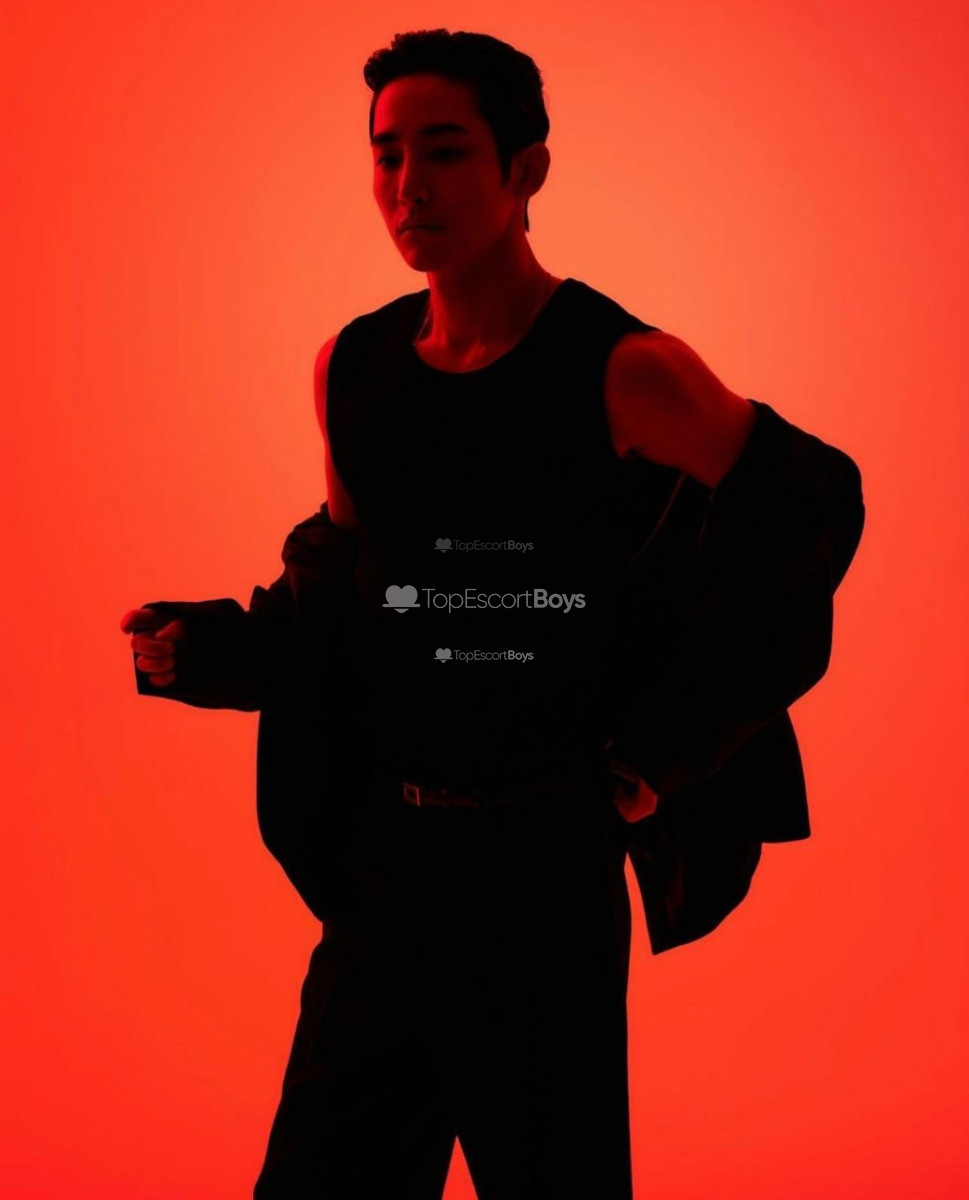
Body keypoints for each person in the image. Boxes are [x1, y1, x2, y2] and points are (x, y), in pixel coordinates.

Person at [120, 29, 865, 1198]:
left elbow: (810, 511)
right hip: (386, 869)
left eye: (446, 151)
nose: (407, 186)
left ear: (527, 171)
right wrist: (215, 649)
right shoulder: (353, 366)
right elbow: (346, 591)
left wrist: (663, 750)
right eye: (387, 155)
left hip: (544, 873)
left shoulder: (627, 370)